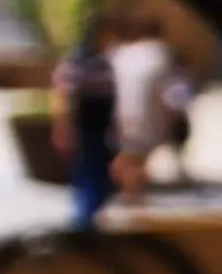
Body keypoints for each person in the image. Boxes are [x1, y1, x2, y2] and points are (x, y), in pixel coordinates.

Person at [51, 14, 120, 230]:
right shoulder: (79, 62)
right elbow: (64, 95)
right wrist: (63, 127)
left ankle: (93, 217)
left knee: (100, 173)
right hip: (87, 125)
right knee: (89, 172)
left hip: (103, 126)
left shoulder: (105, 61)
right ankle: (85, 221)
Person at [109, 14, 175, 204]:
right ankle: (133, 193)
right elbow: (167, 90)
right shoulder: (160, 53)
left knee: (132, 156)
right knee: (136, 159)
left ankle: (132, 193)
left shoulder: (120, 53)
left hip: (121, 115)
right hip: (148, 116)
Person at [162, 55, 197, 184]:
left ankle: (181, 168)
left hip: (181, 117)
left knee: (182, 145)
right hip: (174, 118)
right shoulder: (171, 82)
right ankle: (178, 168)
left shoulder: (184, 81)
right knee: (175, 145)